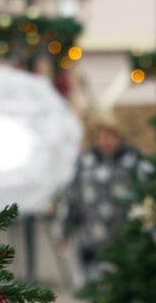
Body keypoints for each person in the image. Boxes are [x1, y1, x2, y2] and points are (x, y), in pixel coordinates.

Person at [56, 115, 144, 285]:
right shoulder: (85, 162)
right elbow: (71, 198)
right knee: (95, 289)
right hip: (91, 239)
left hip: (124, 238)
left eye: (110, 136)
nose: (105, 141)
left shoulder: (133, 161)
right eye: (101, 136)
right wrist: (63, 231)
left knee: (123, 287)